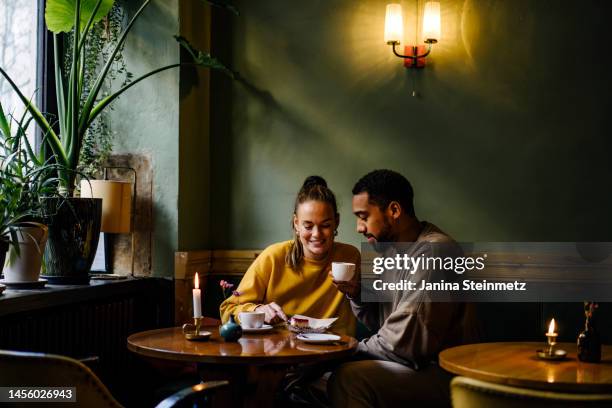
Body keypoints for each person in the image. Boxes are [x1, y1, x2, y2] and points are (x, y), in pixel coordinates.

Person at [328, 169, 476, 407]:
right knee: (311, 382)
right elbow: (385, 326)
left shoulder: (433, 252)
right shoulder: (392, 250)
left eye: (364, 216)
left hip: (446, 374)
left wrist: (339, 352)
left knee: (349, 379)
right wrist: (357, 294)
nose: (359, 227)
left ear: (394, 211)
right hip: (410, 366)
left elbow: (401, 343)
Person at [219, 176, 358, 335]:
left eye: (325, 225)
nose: (316, 234)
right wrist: (257, 309)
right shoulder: (273, 257)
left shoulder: (351, 256)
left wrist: (357, 293)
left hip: (335, 353)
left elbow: (376, 316)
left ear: (337, 222)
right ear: (296, 223)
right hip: (279, 354)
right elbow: (227, 310)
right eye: (308, 226)